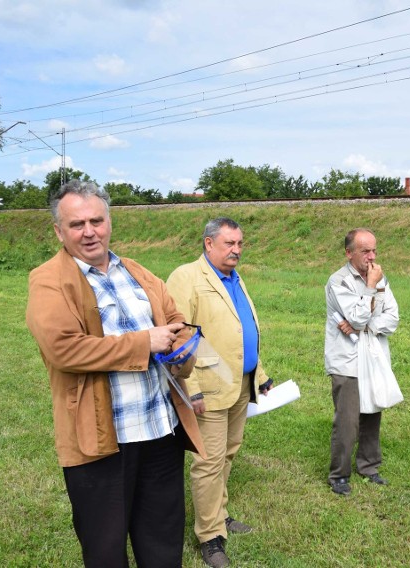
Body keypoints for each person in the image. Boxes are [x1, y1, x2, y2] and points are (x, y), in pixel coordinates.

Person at [26, 180, 206, 568]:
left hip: (160, 431)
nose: (89, 231)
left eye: (96, 220)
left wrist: (180, 347)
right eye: (77, 224)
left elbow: (176, 321)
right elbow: (64, 348)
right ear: (59, 231)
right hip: (101, 442)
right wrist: (145, 343)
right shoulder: (47, 280)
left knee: (162, 545)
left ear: (110, 221)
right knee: (105, 551)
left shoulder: (136, 271)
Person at [166, 217, 273, 568]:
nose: (237, 250)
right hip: (208, 387)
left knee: (228, 452)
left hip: (239, 383)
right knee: (208, 463)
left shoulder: (234, 278)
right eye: (229, 244)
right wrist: (190, 388)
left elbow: (242, 327)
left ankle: (217, 514)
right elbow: (179, 334)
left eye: (240, 244)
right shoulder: (187, 277)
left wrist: (260, 373)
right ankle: (210, 536)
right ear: (208, 243)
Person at [325, 228, 399, 496]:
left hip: (373, 355)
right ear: (349, 253)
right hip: (347, 360)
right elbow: (355, 317)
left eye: (374, 250)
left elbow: (392, 317)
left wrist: (365, 327)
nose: (372, 257)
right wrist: (370, 287)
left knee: (372, 413)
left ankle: (369, 466)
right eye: (365, 251)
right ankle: (339, 475)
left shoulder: (381, 277)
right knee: (347, 421)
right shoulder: (338, 281)